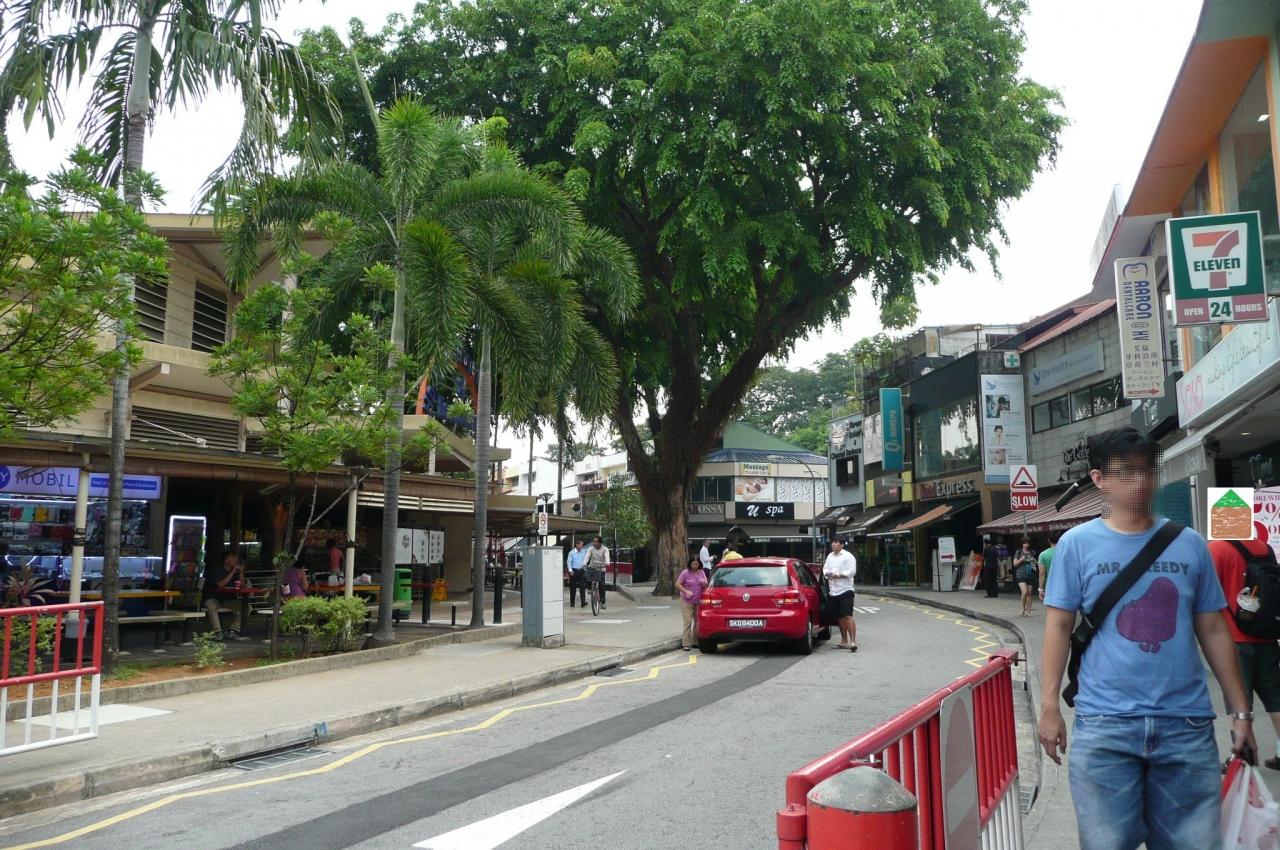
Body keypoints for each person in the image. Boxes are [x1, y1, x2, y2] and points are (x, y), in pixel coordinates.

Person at [1039, 426, 1254, 850]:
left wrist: (1241, 712)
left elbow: (1213, 629)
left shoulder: (1190, 545)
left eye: (1146, 471)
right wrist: (1049, 707)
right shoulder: (1075, 545)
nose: (1139, 482)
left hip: (1185, 725)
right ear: (1099, 479)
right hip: (1105, 726)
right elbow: (1058, 627)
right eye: (1124, 472)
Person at [1209, 534, 1280, 770]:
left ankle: (1243, 759)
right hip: (1266, 634)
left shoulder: (1217, 549)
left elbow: (1208, 593)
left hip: (1233, 638)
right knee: (1276, 698)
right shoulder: (1264, 548)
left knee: (1239, 701)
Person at [202, 552, 247, 640]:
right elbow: (220, 585)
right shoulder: (217, 569)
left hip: (229, 599)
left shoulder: (236, 571)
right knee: (211, 606)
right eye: (232, 557)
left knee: (247, 607)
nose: (235, 560)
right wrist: (232, 572)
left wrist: (241, 573)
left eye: (235, 557)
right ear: (225, 560)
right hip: (213, 597)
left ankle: (233, 630)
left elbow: (242, 586)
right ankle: (217, 632)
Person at [822, 538, 858, 651]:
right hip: (833, 591)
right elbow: (825, 568)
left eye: (836, 542)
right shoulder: (830, 556)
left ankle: (853, 642)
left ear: (842, 545)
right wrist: (827, 574)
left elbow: (852, 571)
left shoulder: (848, 556)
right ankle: (844, 641)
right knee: (840, 617)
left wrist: (839, 575)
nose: (833, 544)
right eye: (833, 542)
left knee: (848, 615)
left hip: (846, 590)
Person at [676, 556, 709, 651]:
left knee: (697, 622)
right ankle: (686, 643)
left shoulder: (701, 572)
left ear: (699, 564)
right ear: (690, 564)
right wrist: (686, 591)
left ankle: (695, 641)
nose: (695, 566)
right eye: (693, 564)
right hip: (687, 601)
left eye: (696, 564)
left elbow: (706, 584)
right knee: (688, 622)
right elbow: (677, 584)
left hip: (698, 601)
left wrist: (704, 583)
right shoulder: (685, 573)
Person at [1012, 538, 1038, 617]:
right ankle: (1023, 609)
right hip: (1020, 574)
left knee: (1029, 593)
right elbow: (1015, 564)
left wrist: (1033, 561)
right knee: (1025, 592)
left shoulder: (1032, 552)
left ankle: (1028, 611)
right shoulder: (1019, 552)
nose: (1026, 545)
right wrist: (1021, 559)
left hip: (1030, 574)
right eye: (1024, 543)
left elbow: (1036, 564)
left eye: (1028, 543)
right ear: (1022, 544)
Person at [583, 536, 610, 609]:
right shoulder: (590, 548)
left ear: (600, 543)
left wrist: (607, 563)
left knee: (602, 584)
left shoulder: (605, 549)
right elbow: (587, 556)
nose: (593, 543)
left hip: (601, 568)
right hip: (592, 567)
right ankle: (589, 588)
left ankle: (603, 602)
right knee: (585, 576)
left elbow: (607, 558)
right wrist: (584, 564)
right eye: (593, 541)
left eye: (595, 542)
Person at [566, 540, 588, 607]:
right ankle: (572, 603)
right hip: (574, 571)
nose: (582, 546)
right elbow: (569, 562)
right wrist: (570, 570)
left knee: (582, 586)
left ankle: (583, 602)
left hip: (581, 571)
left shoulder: (584, 551)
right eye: (581, 544)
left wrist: (585, 567)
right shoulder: (571, 553)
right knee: (573, 587)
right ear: (577, 545)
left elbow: (586, 559)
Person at [1037, 534, 1058, 602]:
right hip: (1066, 586)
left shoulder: (1043, 554)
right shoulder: (1067, 552)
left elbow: (1042, 574)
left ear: (1048, 540)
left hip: (1050, 586)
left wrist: (1041, 589)